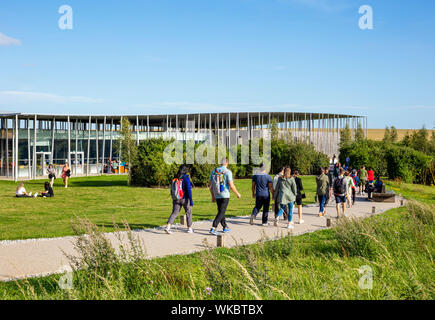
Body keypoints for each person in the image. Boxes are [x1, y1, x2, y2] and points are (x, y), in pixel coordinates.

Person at [208, 157, 241, 235]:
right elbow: (231, 185)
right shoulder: (228, 172)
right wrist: (237, 193)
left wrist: (212, 196)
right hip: (225, 194)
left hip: (216, 194)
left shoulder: (214, 171)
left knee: (221, 211)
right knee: (222, 211)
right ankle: (213, 227)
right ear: (227, 163)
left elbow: (210, 185)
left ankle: (225, 227)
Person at [165, 164, 194, 234]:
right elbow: (188, 190)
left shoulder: (176, 177)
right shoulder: (186, 178)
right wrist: (191, 200)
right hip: (185, 198)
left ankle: (168, 227)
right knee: (188, 212)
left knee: (174, 213)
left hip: (176, 198)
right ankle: (189, 228)